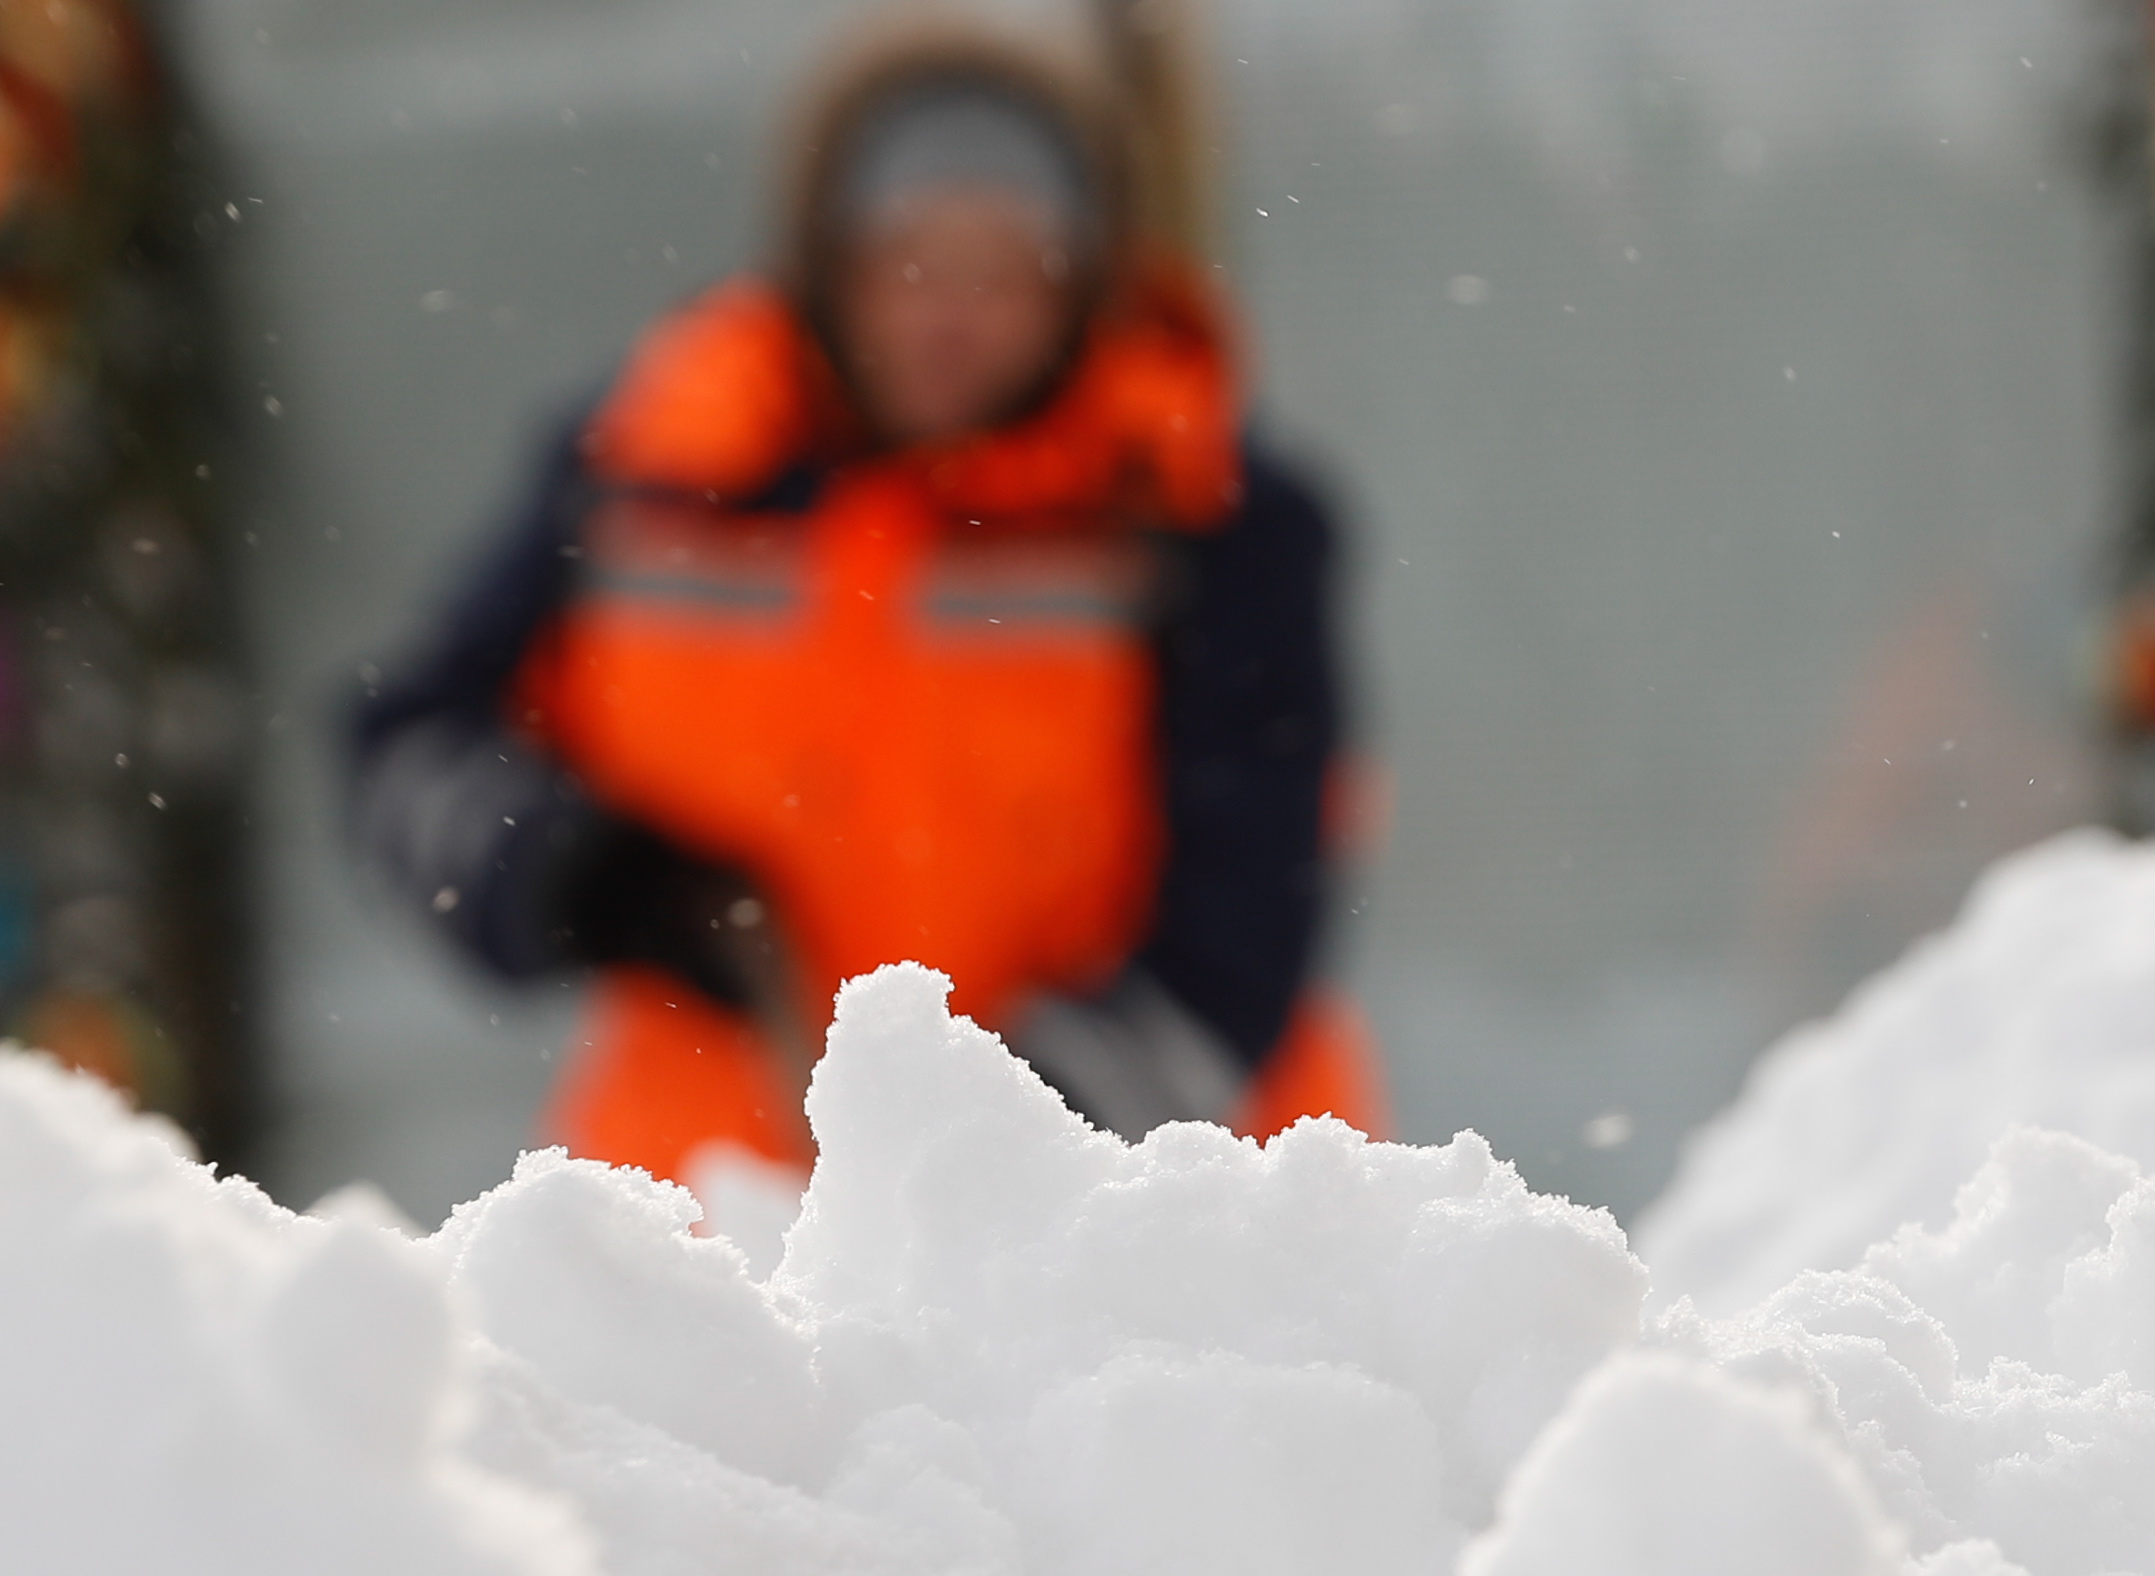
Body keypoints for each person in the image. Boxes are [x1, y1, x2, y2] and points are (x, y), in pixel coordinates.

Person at [346, 23, 1383, 1195]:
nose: (951, 319)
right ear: (824, 262)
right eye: (909, 266)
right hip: (699, 1221)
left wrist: (996, 1163)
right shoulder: (646, 464)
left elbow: (1247, 914)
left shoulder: (1200, 510)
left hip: (1127, 1219)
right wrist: (572, 872)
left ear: (1085, 283)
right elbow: (407, 750)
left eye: (1005, 275)